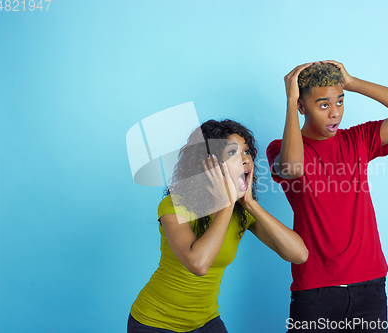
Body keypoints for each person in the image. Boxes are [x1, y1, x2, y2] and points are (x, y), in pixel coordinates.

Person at [266, 61, 388, 332]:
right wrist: (290, 99)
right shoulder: (281, 148)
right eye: (323, 105)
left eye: (340, 102)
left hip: (370, 286)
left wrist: (352, 83)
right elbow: (293, 168)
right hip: (316, 290)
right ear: (301, 107)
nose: (335, 113)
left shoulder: (359, 139)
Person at [128, 119, 308, 333]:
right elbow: (199, 264)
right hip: (154, 322)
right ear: (208, 164)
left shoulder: (242, 213)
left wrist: (249, 203)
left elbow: (299, 254)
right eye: (232, 153)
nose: (245, 160)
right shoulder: (174, 204)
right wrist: (228, 202)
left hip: (206, 321)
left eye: (247, 152)